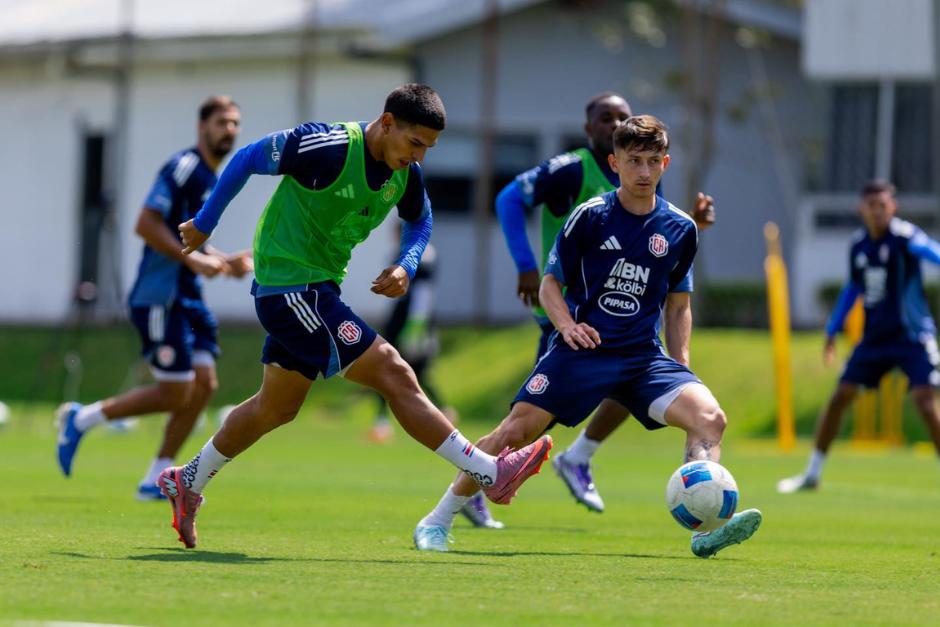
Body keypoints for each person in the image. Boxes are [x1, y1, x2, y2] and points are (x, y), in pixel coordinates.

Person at [159, 84, 551, 549]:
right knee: (392, 370)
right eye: (415, 143)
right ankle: (489, 472)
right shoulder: (325, 147)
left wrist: (406, 266)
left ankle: (187, 480)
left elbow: (420, 221)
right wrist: (206, 221)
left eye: (428, 147)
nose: (420, 156)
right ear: (387, 123)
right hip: (290, 287)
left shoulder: (405, 172)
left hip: (316, 288)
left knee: (276, 407)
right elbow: (247, 157)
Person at [415, 115, 761, 557]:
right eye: (634, 160)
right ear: (614, 163)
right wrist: (566, 326)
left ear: (665, 164)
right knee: (513, 433)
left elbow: (679, 304)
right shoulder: (591, 216)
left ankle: (705, 526)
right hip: (584, 351)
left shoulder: (680, 228)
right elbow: (549, 285)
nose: (644, 171)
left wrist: (682, 363)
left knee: (710, 418)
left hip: (642, 358)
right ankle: (437, 520)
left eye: (653, 161)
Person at [495, 92, 715, 513]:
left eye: (622, 116)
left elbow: (652, 234)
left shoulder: (644, 160)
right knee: (531, 420)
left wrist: (693, 223)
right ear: (590, 129)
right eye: (605, 118)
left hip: (631, 323)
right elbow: (508, 199)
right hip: (570, 312)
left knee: (630, 386)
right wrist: (526, 264)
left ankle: (578, 456)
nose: (615, 123)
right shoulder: (572, 169)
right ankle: (486, 476)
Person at [56, 96, 253, 500]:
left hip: (187, 297)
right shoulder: (184, 167)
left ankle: (156, 476)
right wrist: (198, 261)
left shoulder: (211, 178)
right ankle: (83, 419)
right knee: (175, 392)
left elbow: (186, 238)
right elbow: (146, 224)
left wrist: (221, 260)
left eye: (235, 124)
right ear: (202, 127)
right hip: (159, 297)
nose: (230, 130)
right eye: (222, 123)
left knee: (203, 386)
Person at [778, 180, 940, 493]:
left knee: (925, 401)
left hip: (913, 338)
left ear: (894, 207)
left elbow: (929, 250)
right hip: (875, 340)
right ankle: (812, 473)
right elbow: (854, 287)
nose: (878, 211)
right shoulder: (859, 245)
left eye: (883, 205)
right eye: (872, 205)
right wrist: (832, 329)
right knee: (840, 397)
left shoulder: (905, 238)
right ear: (861, 209)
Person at [366, 236, 503, 530]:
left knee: (403, 376)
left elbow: (423, 293)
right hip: (402, 319)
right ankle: (393, 419)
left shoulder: (424, 254)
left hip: (414, 322)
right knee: (397, 375)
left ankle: (426, 414)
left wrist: (417, 326)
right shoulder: (402, 251)